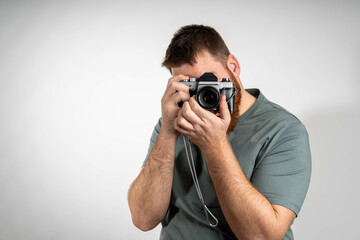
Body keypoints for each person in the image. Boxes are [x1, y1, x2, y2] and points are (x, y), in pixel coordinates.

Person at [128, 24, 311, 240]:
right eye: (191, 86)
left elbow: (262, 237)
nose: (203, 95)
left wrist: (214, 145)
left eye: (209, 80)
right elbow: (143, 218)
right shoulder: (173, 122)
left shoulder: (283, 130)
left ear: (233, 66)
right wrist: (168, 131)